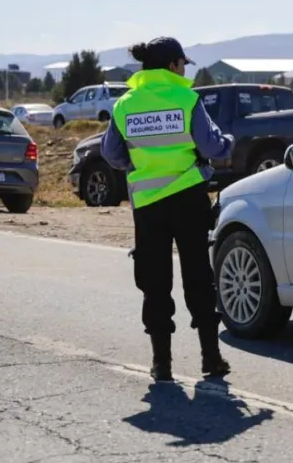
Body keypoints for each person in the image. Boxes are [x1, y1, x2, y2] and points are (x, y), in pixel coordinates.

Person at [100, 36, 235, 382]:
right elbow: (211, 146)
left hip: (148, 205)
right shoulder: (187, 99)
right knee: (198, 278)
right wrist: (228, 142)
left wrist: (141, 163)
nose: (184, 70)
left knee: (155, 282)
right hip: (189, 197)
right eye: (183, 64)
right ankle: (211, 357)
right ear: (174, 64)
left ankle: (162, 364)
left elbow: (112, 155)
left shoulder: (125, 104)